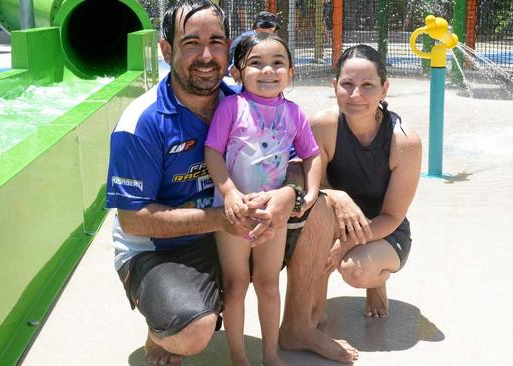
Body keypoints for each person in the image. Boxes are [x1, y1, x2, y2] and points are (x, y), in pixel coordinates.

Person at [105, 0, 357, 364]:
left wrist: (293, 193)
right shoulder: (142, 123)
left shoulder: (243, 97)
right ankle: (167, 321)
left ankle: (298, 325)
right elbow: (134, 219)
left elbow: (293, 158)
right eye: (191, 43)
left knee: (321, 210)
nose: (206, 55)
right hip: (161, 248)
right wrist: (224, 216)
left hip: (232, 225)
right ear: (166, 49)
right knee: (192, 332)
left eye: (216, 42)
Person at [205, 33, 321, 366]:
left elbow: (312, 155)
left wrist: (310, 193)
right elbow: (212, 151)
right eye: (255, 63)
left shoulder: (294, 113)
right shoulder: (232, 107)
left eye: (277, 63)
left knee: (269, 283)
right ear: (237, 73)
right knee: (236, 283)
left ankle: (270, 353)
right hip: (234, 212)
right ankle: (238, 356)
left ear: (291, 72)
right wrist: (229, 193)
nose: (267, 70)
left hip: (272, 214)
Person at [309, 44, 422, 320]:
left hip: (383, 229)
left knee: (355, 270)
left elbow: (393, 216)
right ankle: (313, 310)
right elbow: (312, 191)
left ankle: (376, 282)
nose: (356, 94)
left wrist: (345, 246)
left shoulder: (404, 141)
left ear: (384, 89)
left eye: (368, 85)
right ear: (335, 85)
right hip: (335, 219)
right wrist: (337, 197)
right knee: (312, 225)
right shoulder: (323, 126)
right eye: (347, 84)